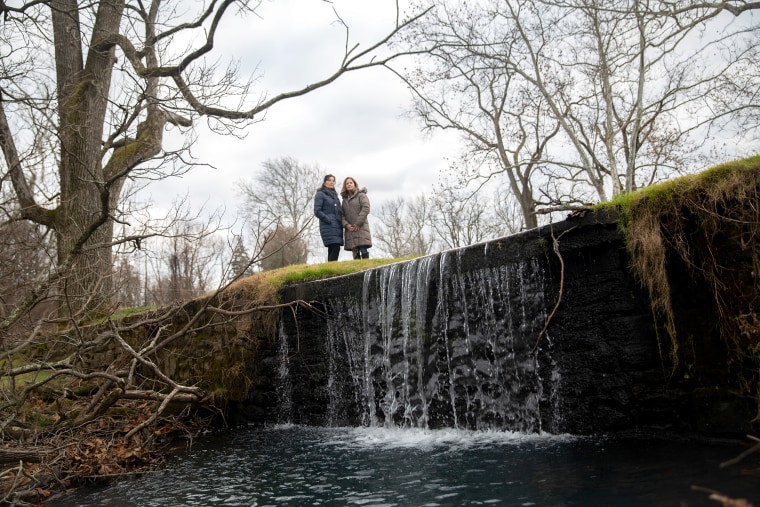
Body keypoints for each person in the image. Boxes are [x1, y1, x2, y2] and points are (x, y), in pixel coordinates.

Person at [340, 177, 372, 259]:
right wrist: (346, 225)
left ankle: (366, 266)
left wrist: (358, 223)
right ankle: (359, 268)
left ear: (354, 184)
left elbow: (366, 208)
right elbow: (341, 215)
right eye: (347, 183)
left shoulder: (361, 196)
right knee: (355, 251)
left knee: (363, 248)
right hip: (350, 230)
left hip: (361, 227)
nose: (349, 184)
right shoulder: (344, 201)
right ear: (345, 186)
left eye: (351, 183)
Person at [314, 174, 344, 262]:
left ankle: (330, 268)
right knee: (335, 247)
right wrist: (328, 219)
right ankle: (332, 268)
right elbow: (317, 211)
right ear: (324, 182)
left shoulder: (335, 196)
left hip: (337, 225)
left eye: (333, 180)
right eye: (329, 180)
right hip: (328, 225)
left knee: (332, 248)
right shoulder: (320, 194)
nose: (331, 182)